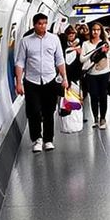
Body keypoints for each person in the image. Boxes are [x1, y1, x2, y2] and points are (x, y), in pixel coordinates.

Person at [15, 12, 67, 150]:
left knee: (49, 111)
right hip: (31, 81)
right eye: (40, 24)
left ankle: (48, 139)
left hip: (50, 80)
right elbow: (20, 62)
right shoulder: (25, 41)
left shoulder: (54, 39)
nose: (43, 26)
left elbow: (60, 60)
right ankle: (37, 139)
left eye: (45, 23)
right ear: (34, 25)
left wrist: (65, 79)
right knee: (34, 111)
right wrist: (18, 83)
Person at [82, 21, 110, 129]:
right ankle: (95, 118)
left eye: (98, 30)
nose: (96, 32)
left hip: (104, 73)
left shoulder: (106, 43)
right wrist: (95, 52)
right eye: (94, 29)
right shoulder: (86, 44)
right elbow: (82, 59)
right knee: (93, 96)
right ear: (90, 31)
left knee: (103, 96)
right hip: (91, 73)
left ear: (101, 31)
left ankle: (103, 118)